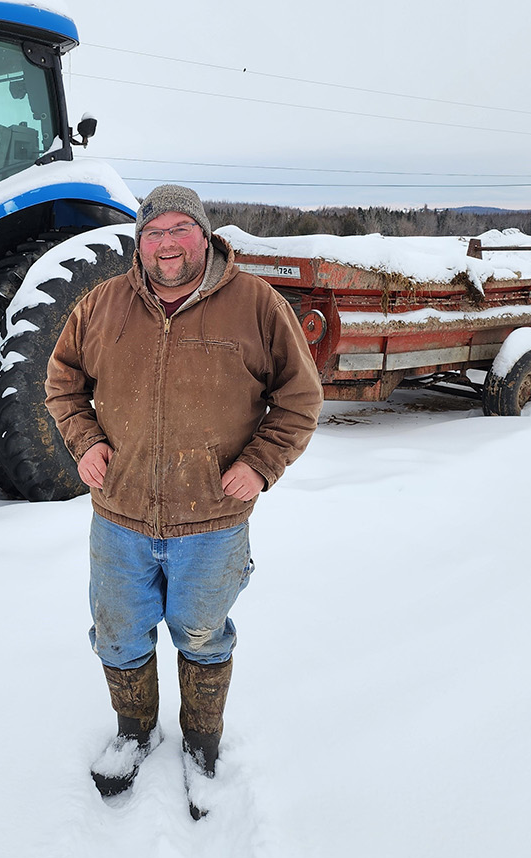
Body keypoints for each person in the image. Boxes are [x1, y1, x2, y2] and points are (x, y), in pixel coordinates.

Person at [45, 184, 324, 818]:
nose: (166, 243)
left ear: (203, 235)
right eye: (153, 232)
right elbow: (62, 384)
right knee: (118, 635)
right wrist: (83, 441)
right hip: (120, 518)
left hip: (213, 520)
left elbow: (300, 399)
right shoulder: (102, 306)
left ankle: (201, 746)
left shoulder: (255, 304)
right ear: (139, 243)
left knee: (202, 637)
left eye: (179, 229)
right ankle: (135, 733)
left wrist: (259, 464)